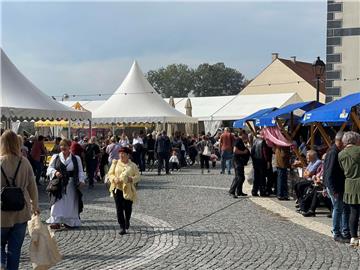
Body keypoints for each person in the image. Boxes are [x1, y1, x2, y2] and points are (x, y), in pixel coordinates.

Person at [1, 130, 40, 270]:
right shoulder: (24, 162)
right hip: (21, 212)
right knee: (15, 250)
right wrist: (35, 205)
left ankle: (1, 261)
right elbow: (33, 186)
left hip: (2, 213)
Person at [46, 139, 85, 230]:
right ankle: (56, 221)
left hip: (72, 183)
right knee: (57, 202)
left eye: (65, 146)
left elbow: (80, 171)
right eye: (61, 146)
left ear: (69, 147)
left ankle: (69, 222)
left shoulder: (76, 158)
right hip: (59, 183)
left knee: (70, 202)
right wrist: (55, 172)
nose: (63, 147)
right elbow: (49, 169)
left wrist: (81, 180)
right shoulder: (55, 157)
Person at [324, 131, 350, 242]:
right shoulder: (334, 152)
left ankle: (342, 231)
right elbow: (329, 172)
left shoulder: (334, 151)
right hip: (335, 187)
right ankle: (336, 232)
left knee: (341, 209)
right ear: (339, 141)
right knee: (338, 209)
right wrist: (332, 189)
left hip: (336, 186)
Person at [107, 147, 140, 235]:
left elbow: (138, 176)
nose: (121, 155)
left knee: (128, 208)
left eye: (123, 154)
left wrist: (131, 179)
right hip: (117, 188)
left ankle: (127, 220)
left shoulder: (132, 165)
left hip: (128, 189)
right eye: (120, 154)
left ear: (128, 155)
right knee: (119, 208)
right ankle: (122, 226)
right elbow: (110, 174)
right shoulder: (115, 163)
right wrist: (114, 179)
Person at [338, 131, 360, 247]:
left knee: (353, 212)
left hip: (349, 184)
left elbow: (342, 169)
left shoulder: (341, 154)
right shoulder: (359, 150)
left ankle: (353, 237)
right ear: (356, 140)